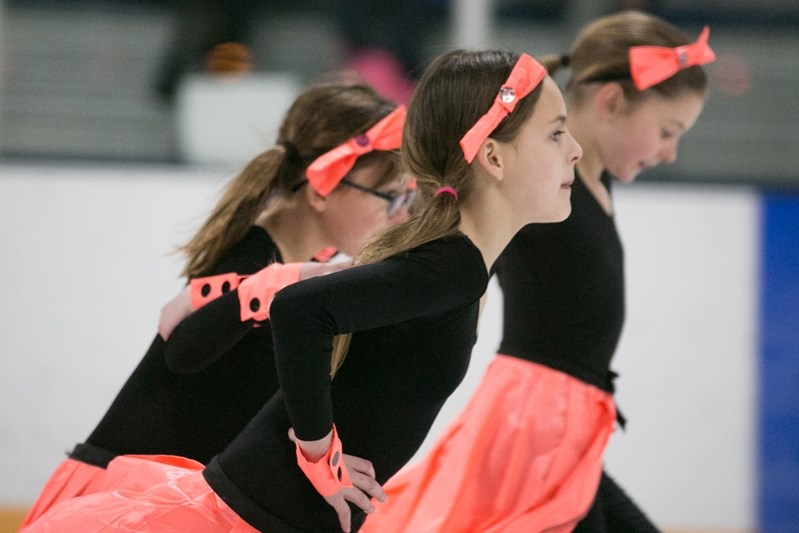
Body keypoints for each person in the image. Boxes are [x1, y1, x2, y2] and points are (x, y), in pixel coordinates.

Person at [24, 47, 582, 533]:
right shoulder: (435, 266)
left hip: (225, 495)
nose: (396, 211)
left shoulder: (432, 265)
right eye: (557, 132)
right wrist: (319, 452)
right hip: (180, 498)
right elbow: (191, 344)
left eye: (402, 196)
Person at [361, 10, 715, 533]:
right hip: (535, 427)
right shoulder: (538, 183)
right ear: (612, 103)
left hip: (565, 427)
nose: (670, 152)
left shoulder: (587, 179)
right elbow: (466, 217)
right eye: (667, 131)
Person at [20, 78, 412, 528]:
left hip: (173, 498)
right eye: (390, 196)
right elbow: (183, 350)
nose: (399, 213)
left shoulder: (291, 264)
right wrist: (287, 282)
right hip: (123, 502)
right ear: (322, 190)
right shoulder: (252, 257)